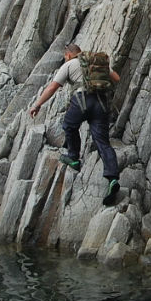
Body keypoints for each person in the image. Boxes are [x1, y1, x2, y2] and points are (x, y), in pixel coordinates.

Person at [29, 43, 122, 203]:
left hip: (81, 101)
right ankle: (113, 178)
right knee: (103, 143)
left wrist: (37, 105)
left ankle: (73, 157)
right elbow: (116, 78)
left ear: (69, 55)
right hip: (100, 103)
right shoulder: (95, 61)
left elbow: (52, 87)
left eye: (65, 57)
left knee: (69, 126)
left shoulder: (70, 64)